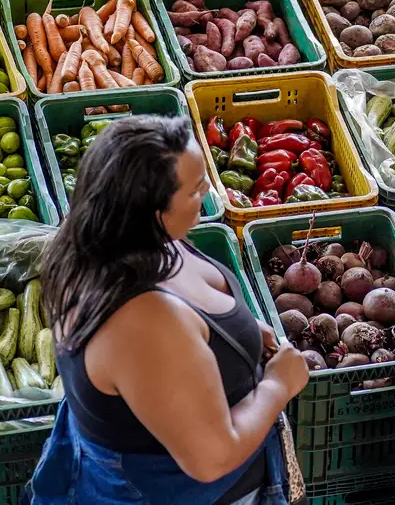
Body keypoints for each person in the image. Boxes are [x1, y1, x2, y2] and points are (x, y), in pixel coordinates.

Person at [26, 116, 310, 504]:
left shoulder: (105, 241)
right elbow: (212, 458)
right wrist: (278, 384)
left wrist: (237, 330)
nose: (209, 189)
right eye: (196, 190)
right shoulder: (143, 322)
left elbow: (188, 325)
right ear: (155, 213)